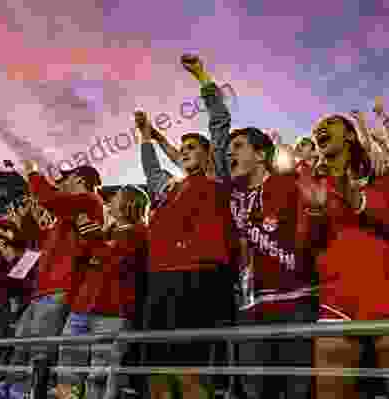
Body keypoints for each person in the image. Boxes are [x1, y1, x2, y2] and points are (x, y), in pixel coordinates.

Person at [135, 54, 234, 399]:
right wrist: (146, 137)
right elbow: (151, 171)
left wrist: (203, 77)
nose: (186, 150)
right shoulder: (169, 190)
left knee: (193, 370)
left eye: (193, 147)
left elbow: (219, 124)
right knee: (158, 370)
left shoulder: (217, 177)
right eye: (183, 147)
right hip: (161, 280)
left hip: (202, 277)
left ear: (209, 155)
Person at [310, 108, 389, 399]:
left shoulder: (381, 171)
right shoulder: (310, 181)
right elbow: (303, 247)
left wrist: (359, 200)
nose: (320, 128)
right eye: (317, 127)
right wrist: (315, 216)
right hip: (336, 296)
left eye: (329, 123)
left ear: (349, 134)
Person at [2, 162, 104, 399]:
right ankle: (16, 391)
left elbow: (50, 199)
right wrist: (27, 217)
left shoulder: (89, 200)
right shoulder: (66, 216)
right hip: (43, 290)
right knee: (22, 346)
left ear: (79, 179)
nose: (61, 183)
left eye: (66, 178)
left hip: (60, 287)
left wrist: (33, 173)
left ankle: (30, 393)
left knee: (40, 350)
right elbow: (36, 238)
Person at [55, 185, 149, 399]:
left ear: (130, 204)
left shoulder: (140, 233)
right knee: (67, 369)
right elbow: (82, 260)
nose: (109, 202)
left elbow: (114, 260)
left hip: (112, 312)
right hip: (81, 308)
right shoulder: (106, 232)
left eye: (115, 198)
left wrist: (94, 239)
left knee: (100, 374)